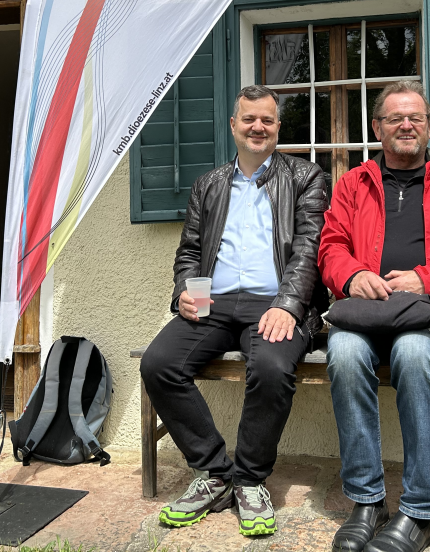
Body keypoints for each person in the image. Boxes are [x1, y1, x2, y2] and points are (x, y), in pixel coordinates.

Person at [140, 84, 327, 537]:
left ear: (278, 127)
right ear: (233, 125)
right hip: (214, 302)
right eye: (249, 119)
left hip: (276, 303)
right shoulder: (209, 184)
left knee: (271, 367)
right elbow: (189, 251)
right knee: (158, 364)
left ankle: (249, 479)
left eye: (266, 120)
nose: (257, 127)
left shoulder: (305, 177)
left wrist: (288, 305)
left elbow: (309, 249)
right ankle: (214, 472)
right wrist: (185, 291)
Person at [318, 80, 430, 552]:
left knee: (416, 350)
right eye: (395, 118)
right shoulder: (352, 185)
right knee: (342, 349)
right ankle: (367, 501)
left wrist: (425, 278)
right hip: (367, 312)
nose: (405, 125)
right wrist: (354, 274)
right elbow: (330, 246)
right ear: (378, 128)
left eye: (415, 117)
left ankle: (420, 512)